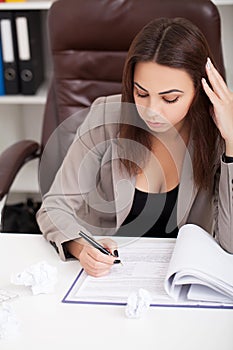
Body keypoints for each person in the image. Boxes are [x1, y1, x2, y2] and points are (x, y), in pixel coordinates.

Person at [37, 17, 233, 277]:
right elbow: (54, 206)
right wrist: (81, 247)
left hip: (180, 280)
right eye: (141, 94)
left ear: (200, 90)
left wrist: (232, 142)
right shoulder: (106, 115)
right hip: (109, 277)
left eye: (170, 98)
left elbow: (229, 245)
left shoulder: (217, 135)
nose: (152, 111)